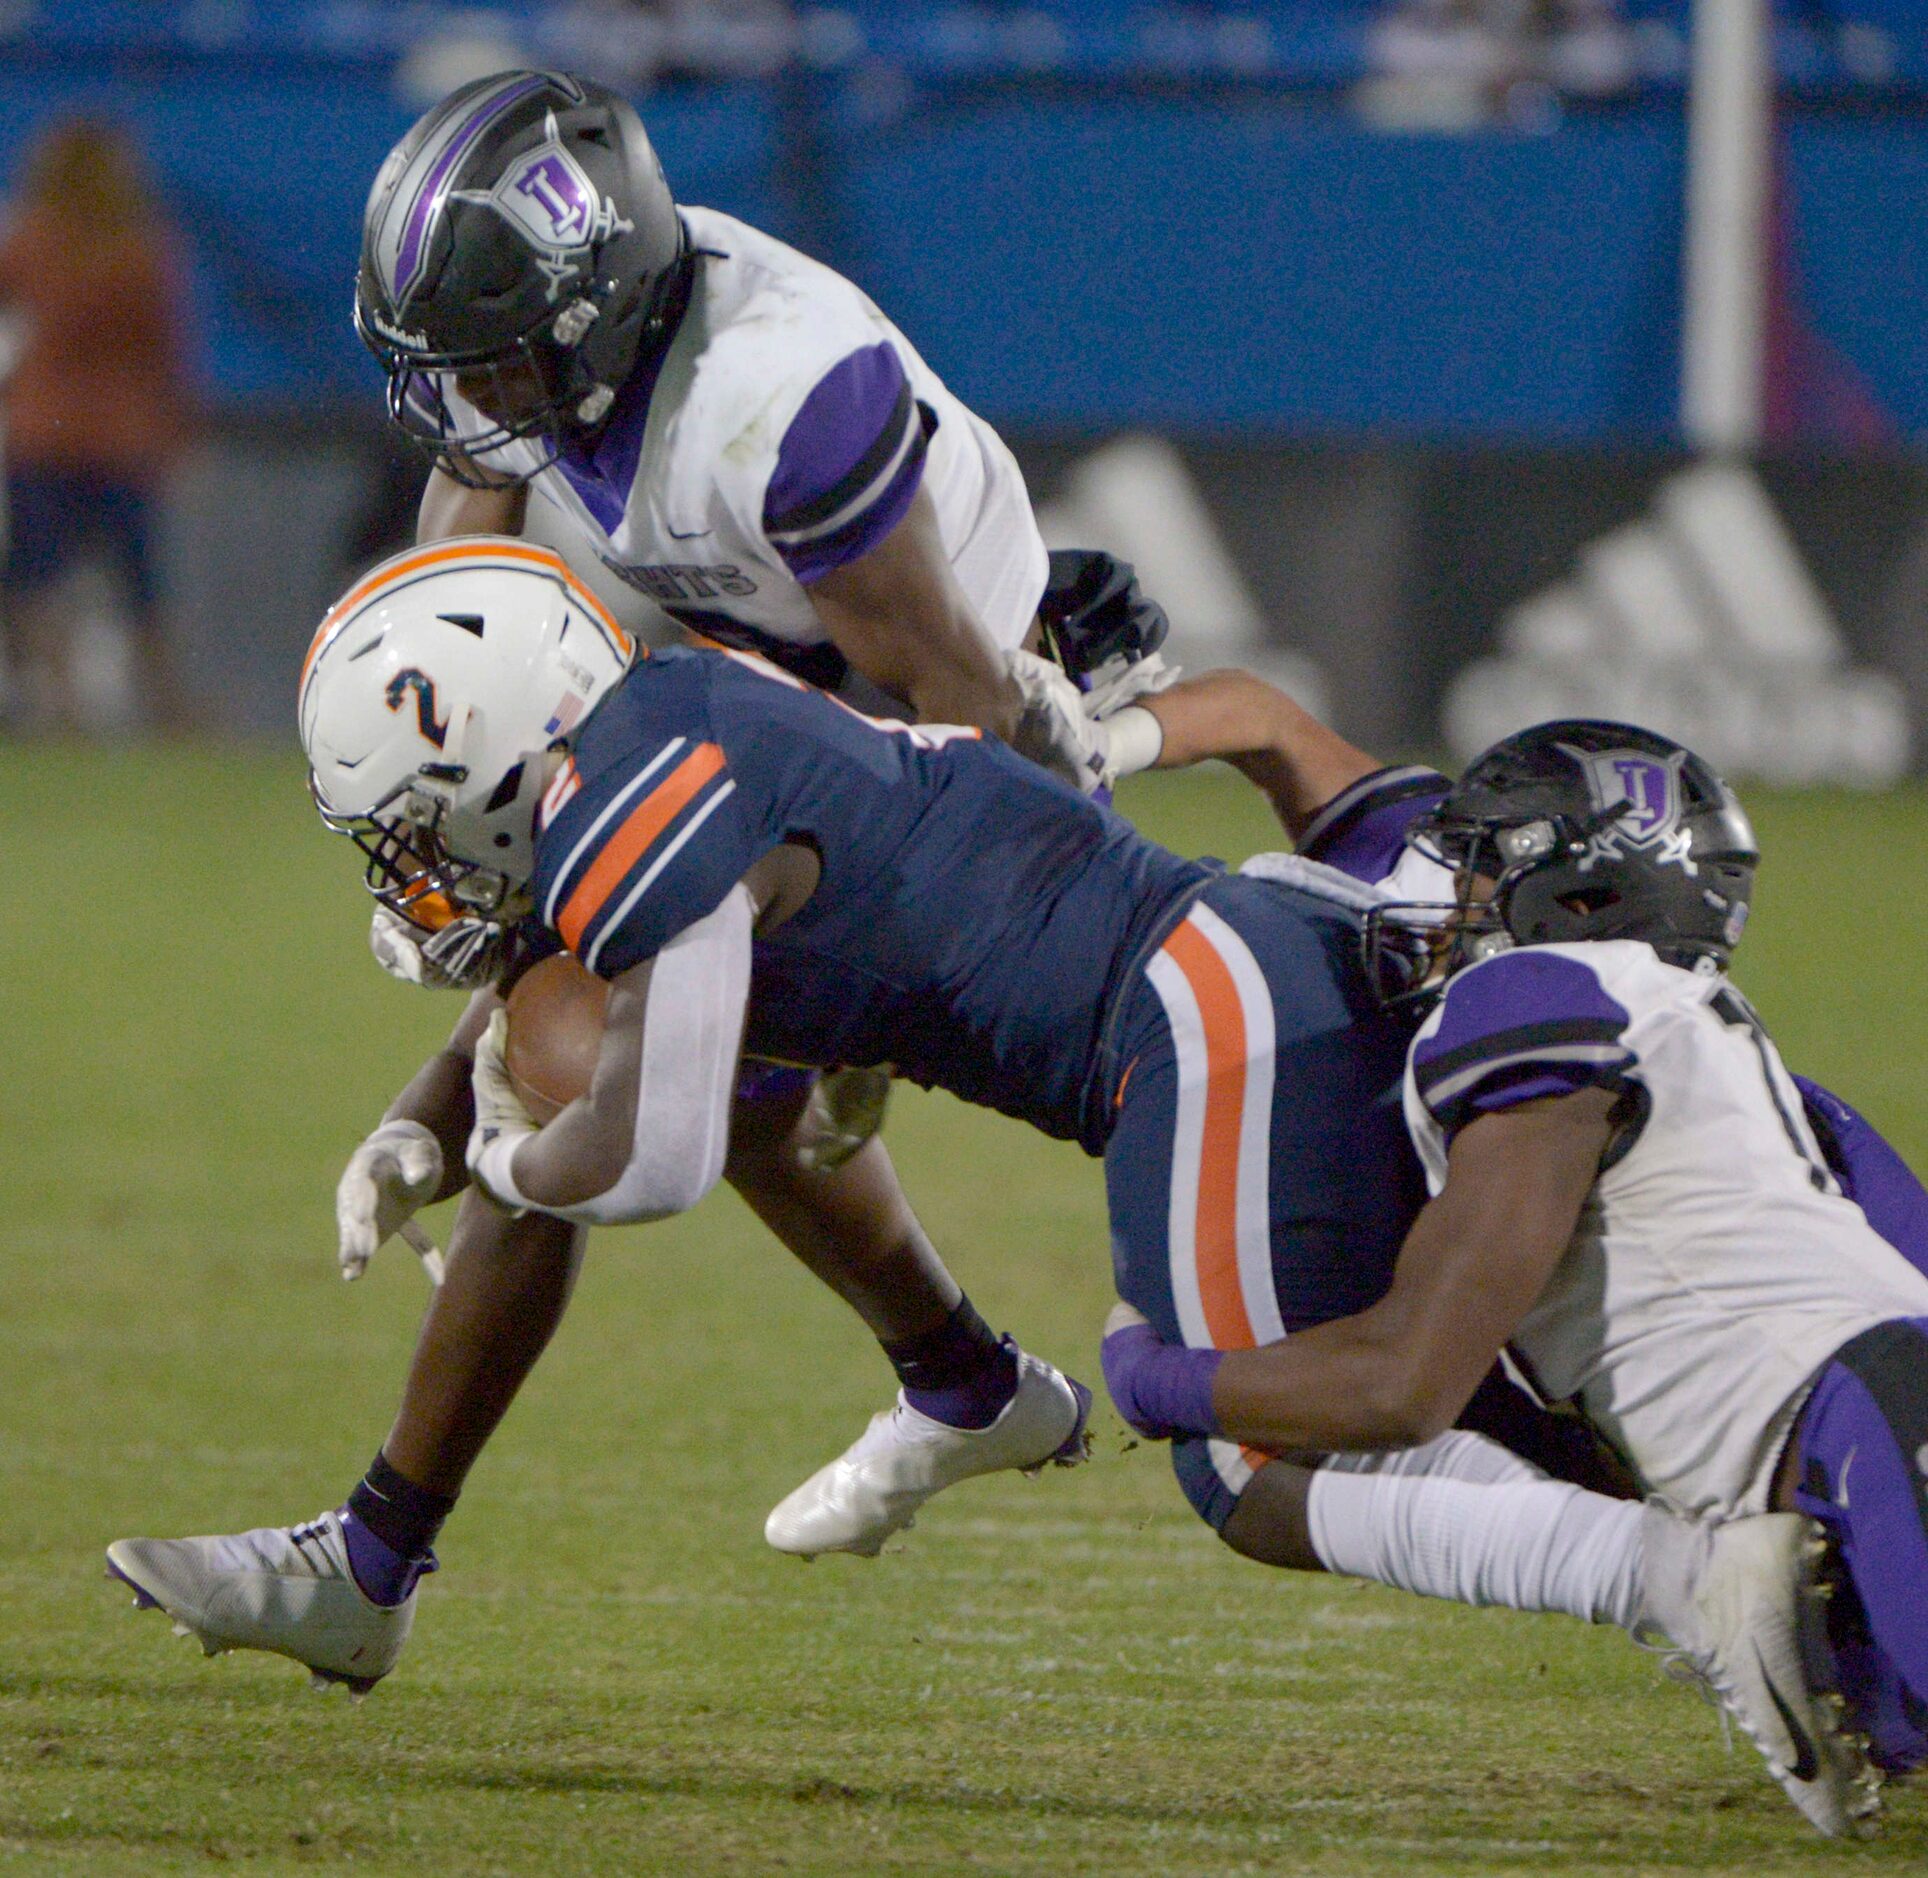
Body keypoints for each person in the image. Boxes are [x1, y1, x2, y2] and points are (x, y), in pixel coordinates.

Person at [108, 544, 1819, 1809]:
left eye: (413, 821)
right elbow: (647, 1037)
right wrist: (436, 1113)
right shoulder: (673, 700)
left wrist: (491, 1144)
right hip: (1242, 965)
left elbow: (648, 1151)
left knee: (1249, 1460)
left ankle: (1682, 1582)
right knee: (1502, 1384)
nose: (409, 872)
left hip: (1195, 1007)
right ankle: (1807, 1592)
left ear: (487, 757)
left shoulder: (642, 813)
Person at [344, 68, 1173, 1545]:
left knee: (598, 1050)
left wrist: (883, 974)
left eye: (494, 362)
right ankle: (965, 1379)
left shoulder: (773, 402)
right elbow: (453, 634)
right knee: (660, 1037)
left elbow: (955, 700)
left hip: (928, 703)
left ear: (591, 316)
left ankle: (375, 1551)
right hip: (750, 654)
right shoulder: (558, 348)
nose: (471, 401)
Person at [1100, 716, 1928, 1836]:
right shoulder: (1734, 1063)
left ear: (1578, 894)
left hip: (1866, 1424)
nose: (1456, 903)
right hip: (1846, 1444)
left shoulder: (1537, 994)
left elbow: (1399, 1387)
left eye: (1486, 871)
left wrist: (1159, 1383)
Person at [0, 116, 196, 733]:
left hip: (43, 431)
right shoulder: (140, 246)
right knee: (141, 592)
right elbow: (169, 347)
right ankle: (166, 713)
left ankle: (61, 709)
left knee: (40, 582)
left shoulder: (31, 238)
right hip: (124, 436)